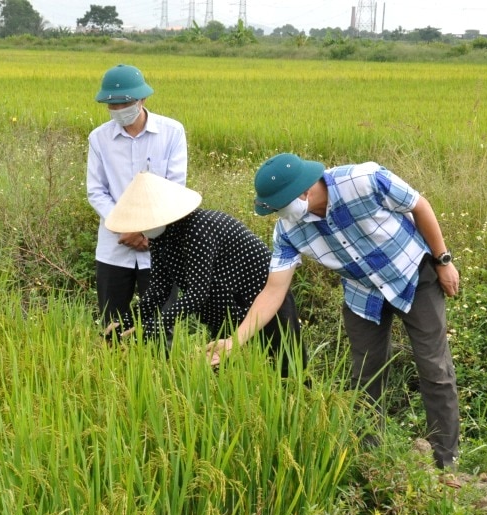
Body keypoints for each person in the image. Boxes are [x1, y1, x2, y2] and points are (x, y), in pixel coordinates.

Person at [207, 153, 461, 472]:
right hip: (363, 294)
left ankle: (445, 464)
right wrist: (235, 340)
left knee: (434, 369)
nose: (279, 216)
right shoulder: (287, 230)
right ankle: (374, 466)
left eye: (279, 207)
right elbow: (273, 290)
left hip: (412, 274)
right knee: (365, 378)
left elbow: (419, 205)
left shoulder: (364, 180)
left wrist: (442, 260)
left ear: (302, 193)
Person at [104, 172, 305, 373]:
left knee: (287, 366)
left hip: (265, 295)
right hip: (223, 304)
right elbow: (159, 290)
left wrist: (158, 324)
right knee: (223, 368)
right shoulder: (160, 237)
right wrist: (126, 322)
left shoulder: (197, 228)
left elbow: (197, 293)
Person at [87, 64, 187, 325]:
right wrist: (125, 228)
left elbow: (174, 189)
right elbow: (96, 191)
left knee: (160, 329)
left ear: (142, 99)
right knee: (112, 327)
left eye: (125, 103)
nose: (119, 110)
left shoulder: (172, 133)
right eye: (113, 105)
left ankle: (158, 368)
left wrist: (146, 233)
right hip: (114, 247)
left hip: (159, 248)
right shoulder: (99, 138)